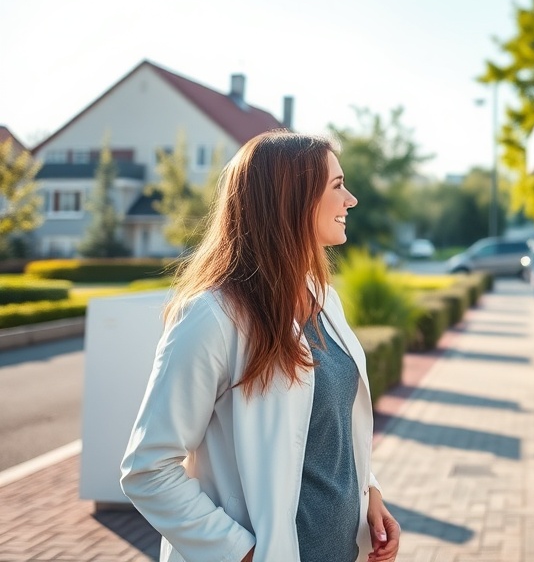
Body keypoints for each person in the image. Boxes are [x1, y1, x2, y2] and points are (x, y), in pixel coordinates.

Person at [121, 131, 400, 562]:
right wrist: (242, 554)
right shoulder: (212, 317)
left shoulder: (322, 298)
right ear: (293, 200)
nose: (351, 199)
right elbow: (147, 469)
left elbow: (326, 432)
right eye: (337, 185)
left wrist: (371, 493)